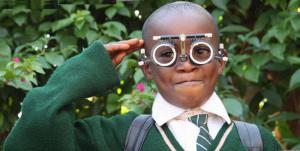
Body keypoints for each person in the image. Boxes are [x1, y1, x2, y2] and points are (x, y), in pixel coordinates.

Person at [4, 1, 281, 151]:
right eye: (166, 54)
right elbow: (34, 136)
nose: (185, 65)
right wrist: (84, 72)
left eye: (199, 51)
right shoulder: (116, 137)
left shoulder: (256, 141)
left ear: (220, 61)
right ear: (147, 68)